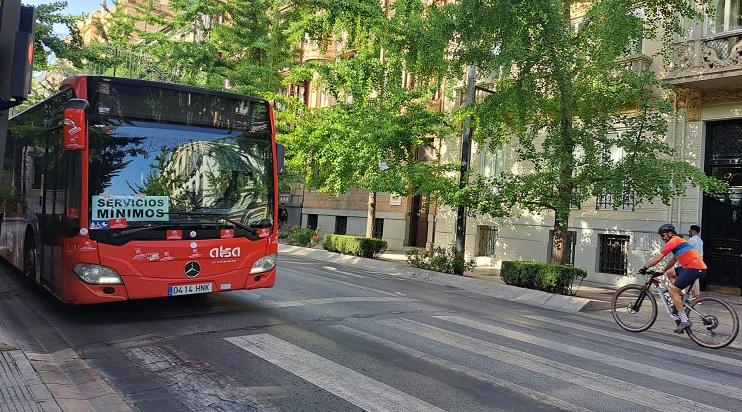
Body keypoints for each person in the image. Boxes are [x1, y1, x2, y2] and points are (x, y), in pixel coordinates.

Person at [640, 224, 707, 333]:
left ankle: (684, 320)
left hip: (693, 268)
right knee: (670, 273)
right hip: (694, 267)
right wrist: (663, 270)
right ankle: (681, 298)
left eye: (663, 235)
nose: (662, 238)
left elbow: (658, 257)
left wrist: (645, 267)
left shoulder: (673, 241)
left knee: (672, 291)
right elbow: (674, 259)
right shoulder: (679, 241)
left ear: (670, 233)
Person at [687, 224, 704, 298]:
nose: (689, 232)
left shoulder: (692, 240)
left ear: (693, 231)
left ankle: (694, 293)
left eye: (690, 231)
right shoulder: (700, 240)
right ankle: (695, 293)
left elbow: (688, 250)